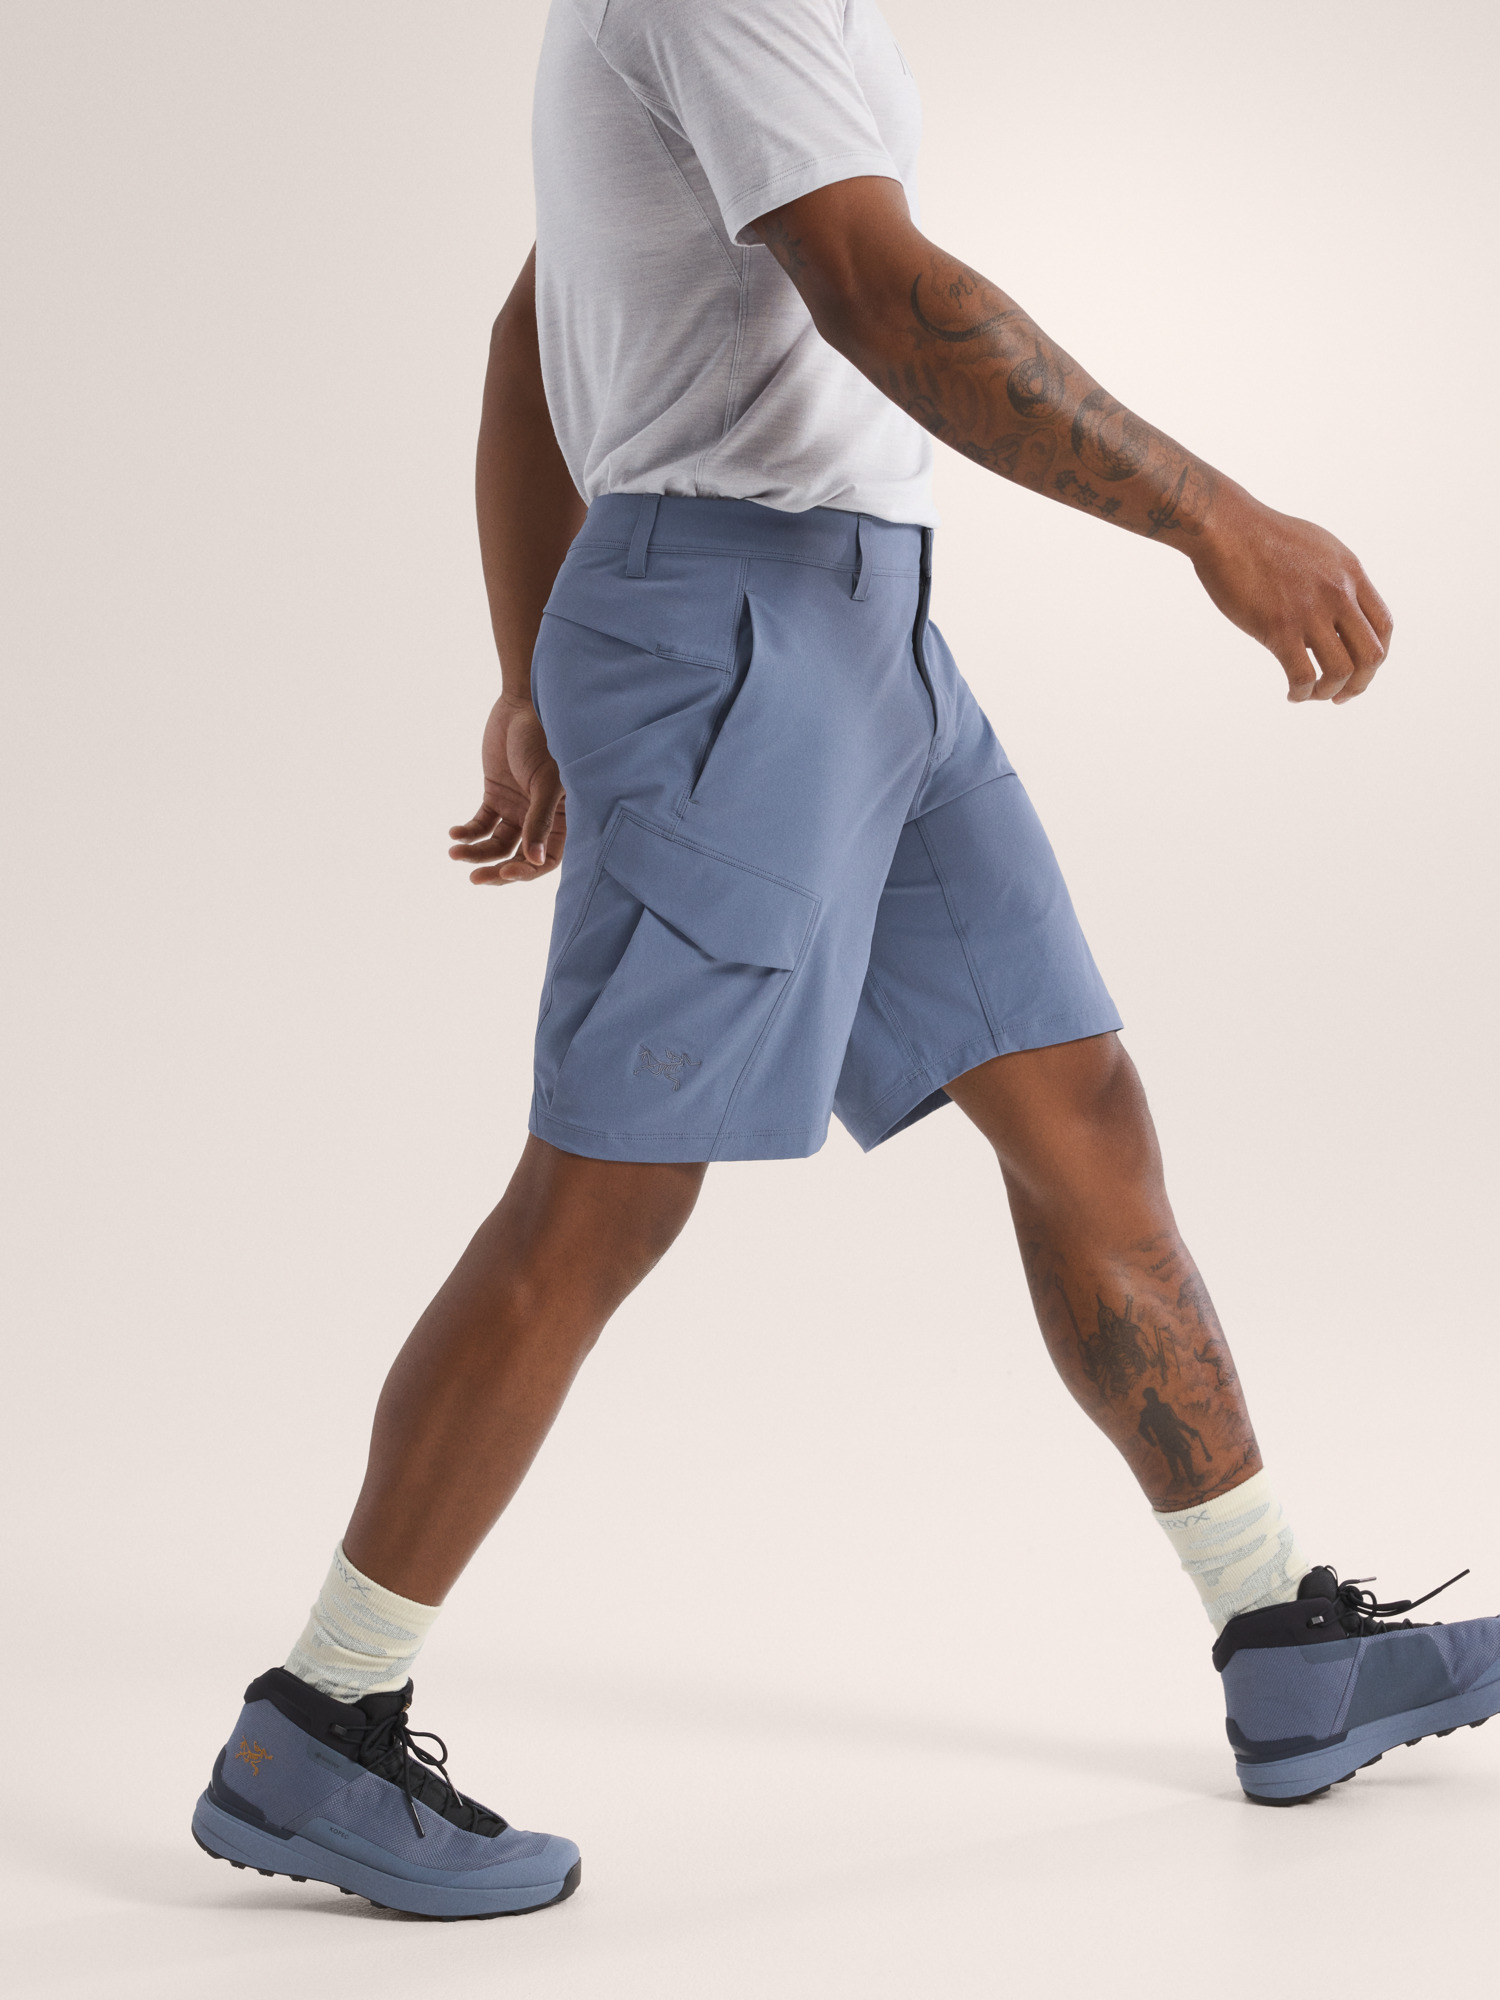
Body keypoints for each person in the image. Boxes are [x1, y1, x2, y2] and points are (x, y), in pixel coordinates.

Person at [192, 0, 1500, 1917]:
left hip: (868, 627)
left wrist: (531, 667)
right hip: (730, 632)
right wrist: (1214, 516)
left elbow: (535, 317)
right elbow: (880, 292)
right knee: (608, 1189)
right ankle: (319, 1720)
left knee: (1076, 1105)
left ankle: (1281, 1636)